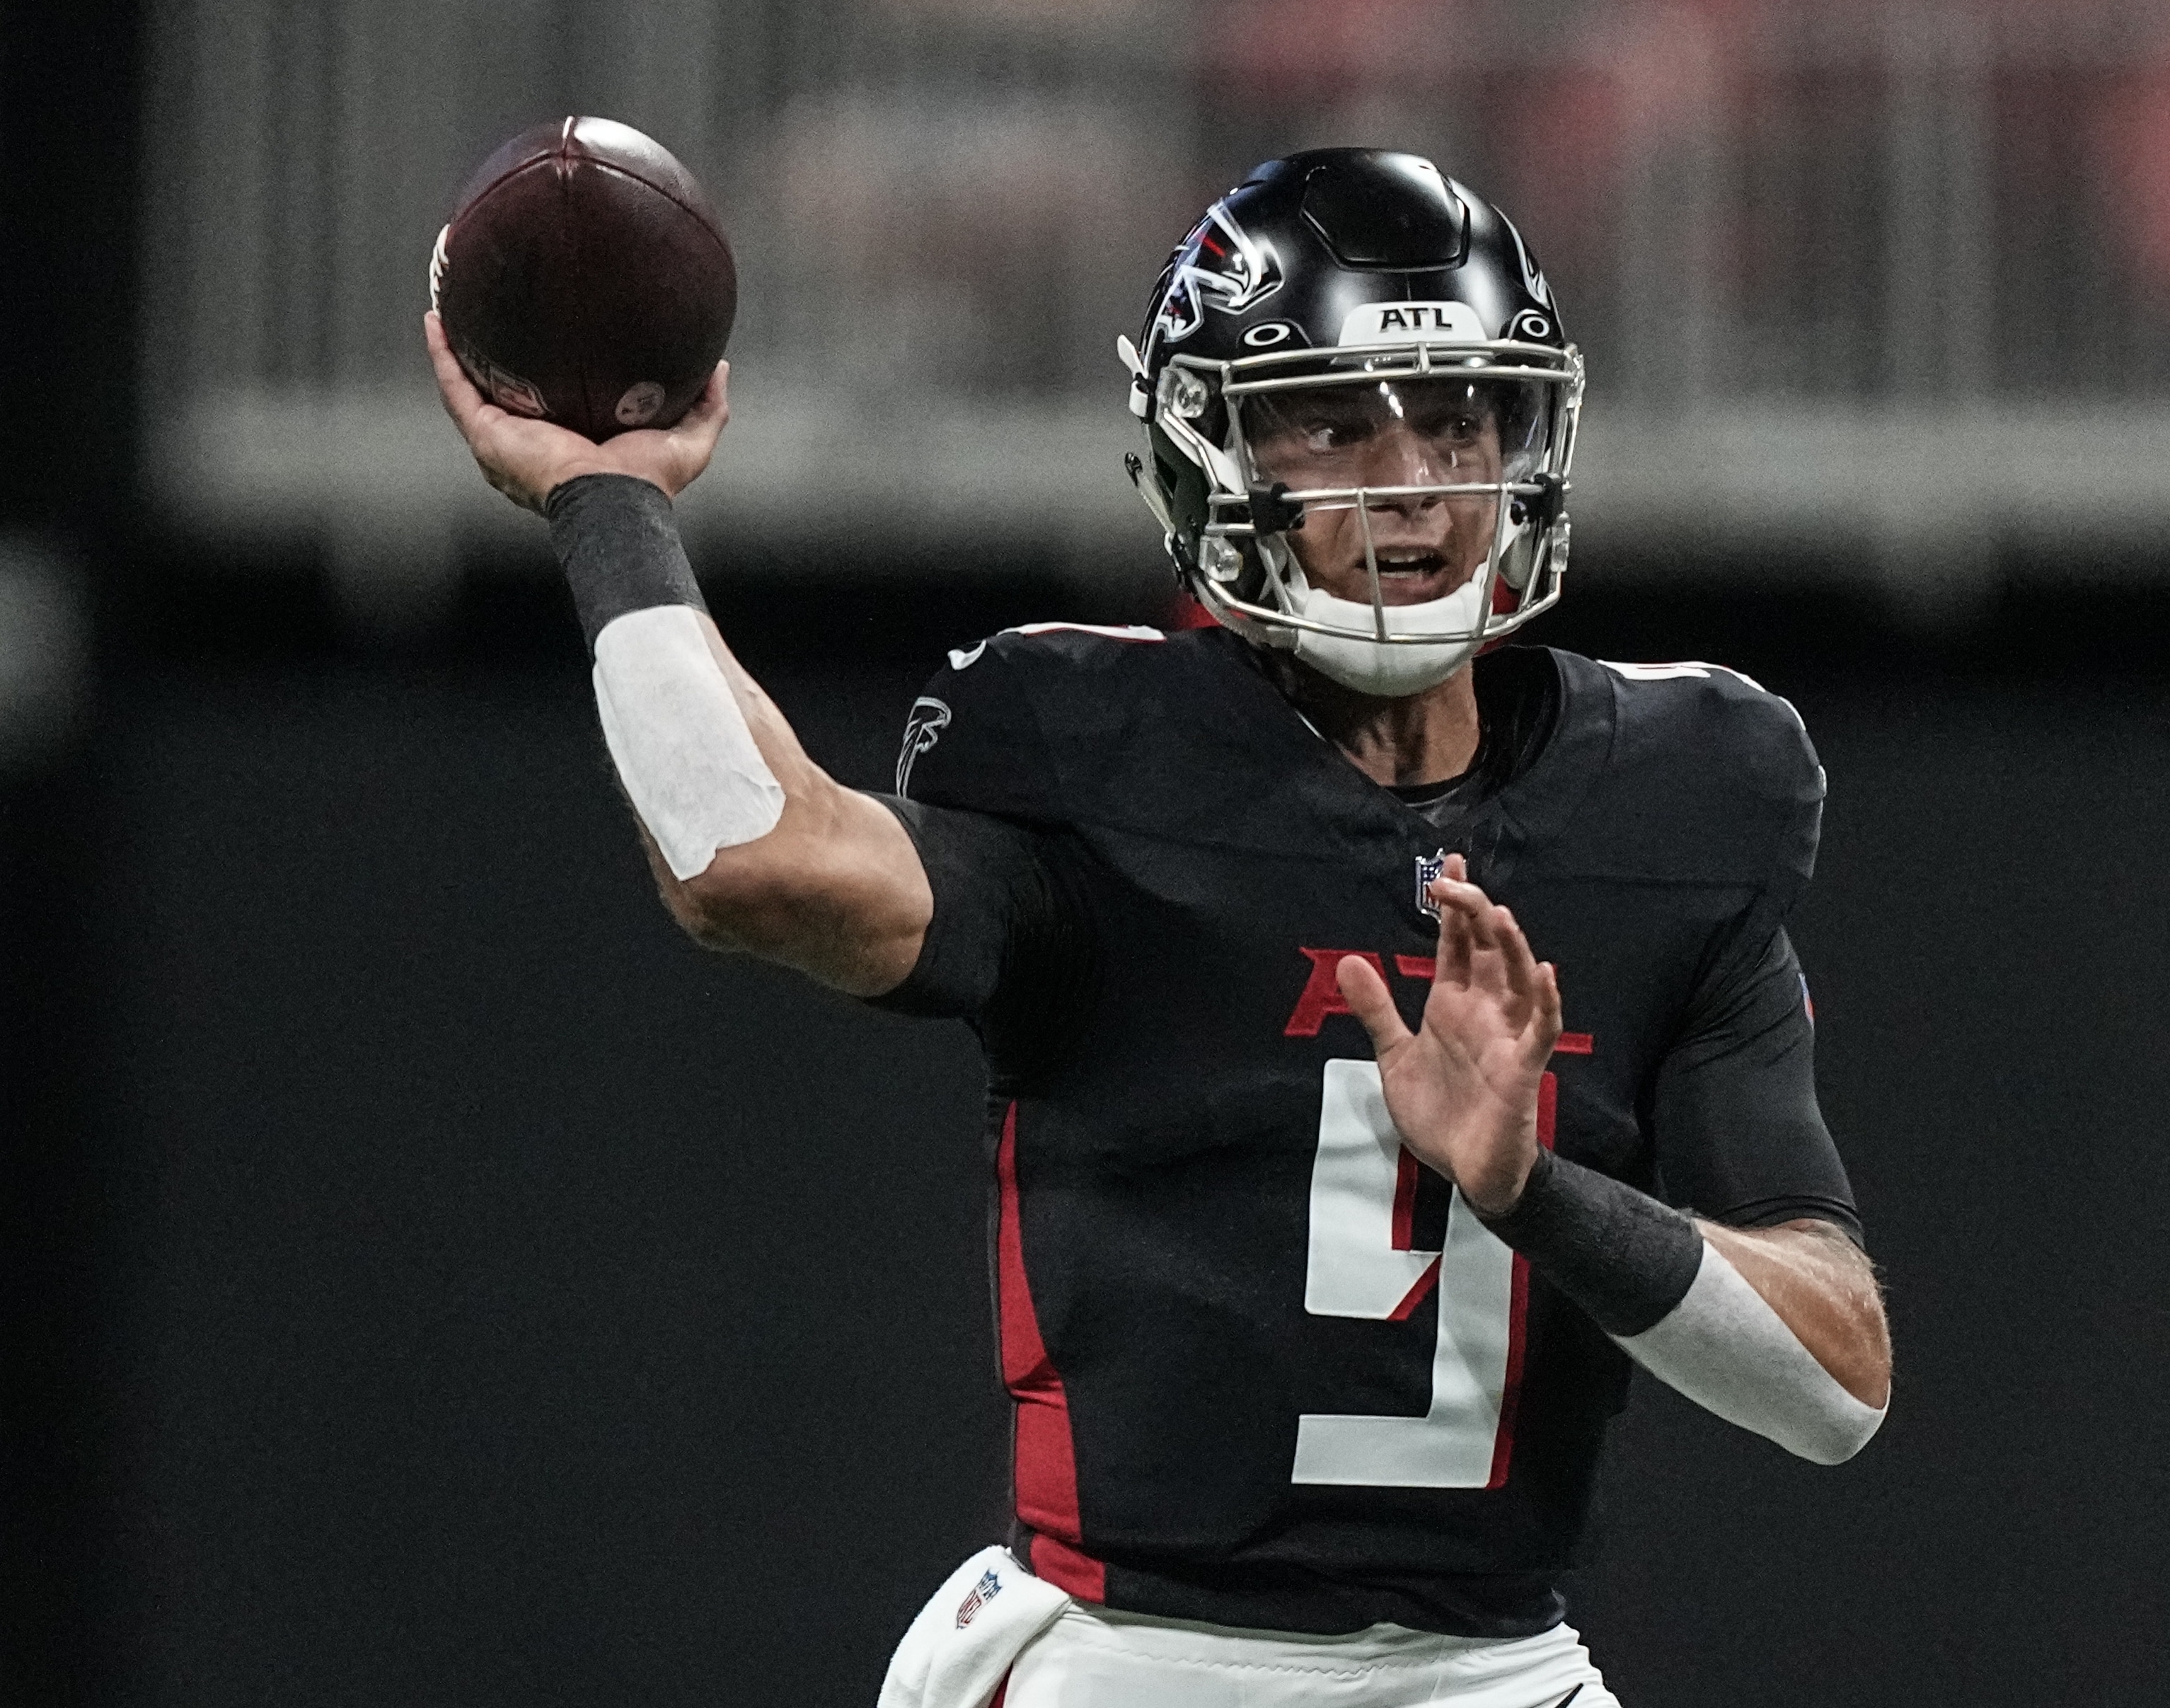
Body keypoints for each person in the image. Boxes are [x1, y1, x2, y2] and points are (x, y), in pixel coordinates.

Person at [427, 147, 1891, 1708]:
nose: (1407, 483)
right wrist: (607, 507)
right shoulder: (1101, 757)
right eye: (1331, 420)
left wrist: (1537, 1188)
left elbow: (1833, 1384)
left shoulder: (1677, 798)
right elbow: (745, 857)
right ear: (1211, 453)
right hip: (1132, 1660)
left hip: (1499, 1669)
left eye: (1457, 416)